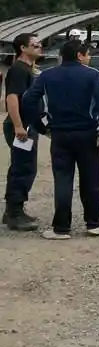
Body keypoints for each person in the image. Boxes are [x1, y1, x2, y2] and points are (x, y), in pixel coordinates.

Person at [22, 40, 99, 240]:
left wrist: (41, 127)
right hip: (87, 134)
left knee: (63, 179)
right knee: (91, 179)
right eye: (87, 54)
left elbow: (28, 100)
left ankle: (61, 228)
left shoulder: (47, 75)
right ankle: (94, 223)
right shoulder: (92, 75)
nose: (89, 58)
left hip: (59, 134)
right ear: (79, 55)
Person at [3, 33, 43, 231]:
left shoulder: (28, 69)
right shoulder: (18, 70)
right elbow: (12, 98)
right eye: (35, 45)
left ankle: (12, 210)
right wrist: (18, 126)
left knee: (23, 167)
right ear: (23, 48)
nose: (40, 47)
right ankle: (15, 214)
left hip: (28, 126)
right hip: (21, 128)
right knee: (23, 168)